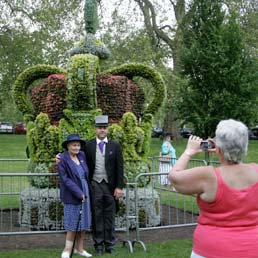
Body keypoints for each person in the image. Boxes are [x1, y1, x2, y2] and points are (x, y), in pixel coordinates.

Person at [169, 119, 258, 258]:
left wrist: (189, 152)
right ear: (245, 146)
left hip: (211, 250)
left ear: (219, 149)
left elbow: (175, 178)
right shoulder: (256, 171)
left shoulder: (209, 176)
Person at [84, 115, 124, 256]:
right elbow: (75, 156)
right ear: (95, 129)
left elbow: (120, 168)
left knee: (110, 216)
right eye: (99, 127)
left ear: (107, 129)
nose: (102, 130)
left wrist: (119, 187)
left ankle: (110, 244)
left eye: (104, 128)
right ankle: (98, 245)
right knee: (97, 215)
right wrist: (60, 157)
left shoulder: (115, 145)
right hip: (95, 184)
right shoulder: (88, 145)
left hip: (110, 186)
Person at [58, 134, 92, 258]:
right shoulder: (62, 159)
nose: (76, 147)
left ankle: (80, 249)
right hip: (72, 194)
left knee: (83, 223)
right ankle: (67, 250)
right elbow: (65, 180)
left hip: (86, 192)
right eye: (74, 145)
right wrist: (78, 193)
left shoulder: (82, 155)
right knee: (72, 224)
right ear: (68, 146)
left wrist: (84, 192)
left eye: (78, 145)